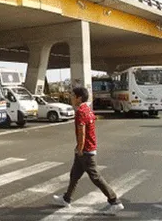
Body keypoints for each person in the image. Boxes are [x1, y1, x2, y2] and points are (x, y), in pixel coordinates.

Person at [53, 86, 124, 214]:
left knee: (96, 177)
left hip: (85, 151)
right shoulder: (87, 109)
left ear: (79, 98)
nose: (70, 97)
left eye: (72, 95)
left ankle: (114, 201)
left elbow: (82, 133)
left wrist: (80, 148)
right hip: (87, 148)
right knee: (74, 175)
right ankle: (66, 198)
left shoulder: (81, 111)